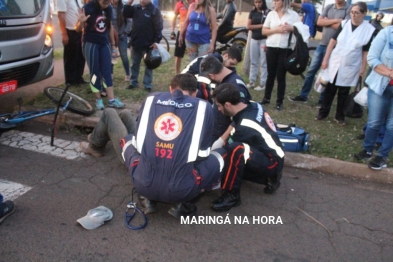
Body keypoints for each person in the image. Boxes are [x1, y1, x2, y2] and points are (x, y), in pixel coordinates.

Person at [80, 74, 226, 219]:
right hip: (180, 188)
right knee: (220, 155)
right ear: (195, 93)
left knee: (116, 121)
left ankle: (95, 145)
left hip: (144, 184)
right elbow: (202, 156)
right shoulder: (204, 107)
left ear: (171, 89)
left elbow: (138, 144)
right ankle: (187, 202)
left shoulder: (151, 99)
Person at [210, 83, 284, 212]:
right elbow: (236, 121)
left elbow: (228, 152)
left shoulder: (244, 128)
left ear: (227, 105)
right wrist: (221, 139)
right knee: (235, 157)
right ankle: (267, 179)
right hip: (271, 152)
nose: (218, 110)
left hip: (272, 162)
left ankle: (231, 195)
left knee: (234, 152)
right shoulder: (251, 105)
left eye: (219, 106)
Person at [315, 2, 375, 126]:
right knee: (329, 89)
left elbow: (365, 51)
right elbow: (332, 42)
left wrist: (362, 67)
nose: (353, 15)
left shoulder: (369, 30)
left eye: (356, 13)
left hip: (351, 64)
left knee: (343, 92)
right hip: (335, 61)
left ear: (364, 14)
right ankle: (323, 112)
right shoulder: (344, 24)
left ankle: (340, 115)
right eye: (352, 12)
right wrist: (326, 59)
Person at [288, 0, 351, 106]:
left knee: (327, 74)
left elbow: (345, 27)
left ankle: (322, 100)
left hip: (336, 47)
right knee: (311, 70)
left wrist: (328, 21)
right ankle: (303, 96)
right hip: (322, 44)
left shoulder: (349, 9)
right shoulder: (329, 7)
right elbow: (319, 22)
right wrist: (336, 21)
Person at [354, 25, 393, 170]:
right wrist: (388, 73)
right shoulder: (386, 33)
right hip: (380, 84)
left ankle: (382, 156)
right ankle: (368, 149)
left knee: (391, 125)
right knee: (374, 122)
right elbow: (372, 57)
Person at [79, 0, 125, 110]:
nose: (106, 4)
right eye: (104, 2)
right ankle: (98, 99)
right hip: (91, 43)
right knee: (94, 73)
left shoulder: (108, 8)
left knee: (107, 71)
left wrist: (113, 45)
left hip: (104, 43)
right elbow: (77, 29)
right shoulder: (87, 8)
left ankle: (111, 100)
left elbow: (109, 27)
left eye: (108, 2)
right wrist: (80, 22)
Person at [260, 0, 301, 111]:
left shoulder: (293, 15)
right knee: (270, 75)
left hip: (285, 49)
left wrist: (291, 28)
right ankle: (266, 98)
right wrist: (276, 30)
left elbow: (301, 31)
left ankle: (279, 102)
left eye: (277, 0)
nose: (274, 2)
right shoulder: (271, 14)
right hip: (271, 48)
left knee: (281, 76)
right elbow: (264, 31)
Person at [200, 55, 251, 141]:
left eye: (207, 77)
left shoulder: (236, 86)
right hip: (216, 129)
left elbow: (242, 115)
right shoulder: (222, 80)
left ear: (212, 76)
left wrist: (223, 139)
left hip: (225, 135)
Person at [123, 0, 163, 92]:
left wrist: (156, 42)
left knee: (149, 65)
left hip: (148, 45)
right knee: (134, 64)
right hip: (135, 43)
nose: (142, 0)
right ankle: (133, 83)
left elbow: (159, 27)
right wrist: (128, 3)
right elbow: (125, 13)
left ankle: (147, 84)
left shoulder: (154, 10)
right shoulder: (136, 8)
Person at [57, 0, 87, 86]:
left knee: (80, 56)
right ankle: (70, 80)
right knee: (71, 57)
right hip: (70, 31)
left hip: (79, 30)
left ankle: (78, 77)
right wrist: (64, 34)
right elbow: (61, 15)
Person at [246, 0, 270, 91]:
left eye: (259, 2)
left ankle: (263, 83)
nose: (257, 4)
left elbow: (270, 26)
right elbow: (248, 26)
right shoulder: (252, 12)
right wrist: (262, 25)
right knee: (253, 61)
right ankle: (252, 81)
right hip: (254, 39)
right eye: (255, 2)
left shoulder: (268, 12)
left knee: (263, 63)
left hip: (264, 40)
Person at [171, 0, 194, 74]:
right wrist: (172, 31)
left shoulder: (196, 3)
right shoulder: (179, 4)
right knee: (178, 55)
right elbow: (174, 18)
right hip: (181, 32)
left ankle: (192, 74)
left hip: (192, 32)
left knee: (193, 55)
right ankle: (177, 74)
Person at [111, 0, 132, 81]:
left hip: (121, 36)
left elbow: (130, 22)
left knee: (124, 56)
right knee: (111, 55)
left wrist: (125, 32)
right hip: (111, 36)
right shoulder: (109, 7)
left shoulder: (123, 8)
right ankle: (110, 73)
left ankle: (127, 74)